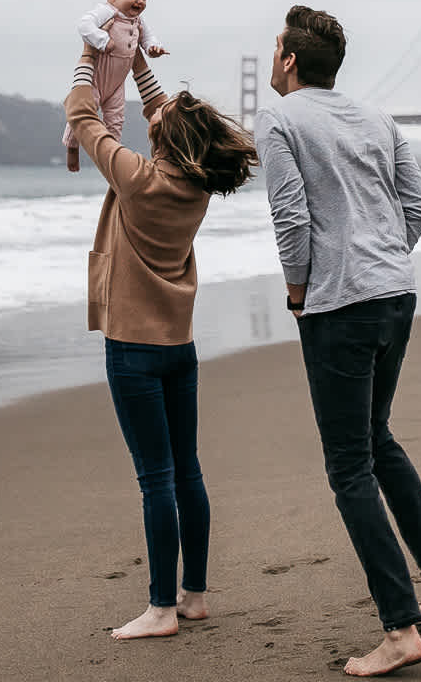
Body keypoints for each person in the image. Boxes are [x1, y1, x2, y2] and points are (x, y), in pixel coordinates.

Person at [255, 5, 421, 678]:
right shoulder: (378, 118)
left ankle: (399, 629)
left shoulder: (279, 119)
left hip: (340, 308)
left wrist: (300, 293)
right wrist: (382, 260)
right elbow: (420, 207)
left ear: (290, 60)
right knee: (376, 439)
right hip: (396, 295)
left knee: (349, 465)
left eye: (275, 48)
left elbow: (291, 217)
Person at [66, 42, 257, 640]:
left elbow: (82, 114)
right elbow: (161, 113)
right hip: (179, 347)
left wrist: (90, 53)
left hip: (133, 350)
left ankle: (159, 609)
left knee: (154, 480)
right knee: (186, 472)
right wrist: (134, 58)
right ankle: (192, 596)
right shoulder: (195, 186)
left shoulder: (137, 178)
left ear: (163, 140)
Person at [63, 0, 168, 172]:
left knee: (116, 121)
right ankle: (72, 147)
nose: (140, 1)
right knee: (84, 113)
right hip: (97, 77)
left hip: (118, 83)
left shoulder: (138, 21)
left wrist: (153, 48)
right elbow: (84, 25)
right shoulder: (106, 12)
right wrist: (102, 40)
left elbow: (148, 38)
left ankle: (112, 161)